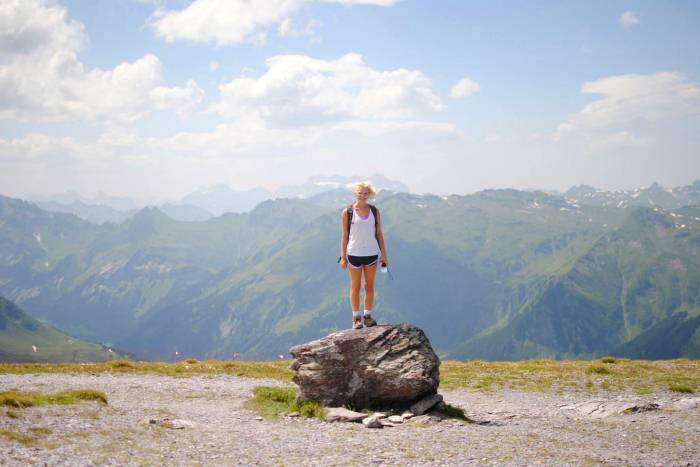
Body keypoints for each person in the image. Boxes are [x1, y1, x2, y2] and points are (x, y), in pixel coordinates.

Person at [339, 181, 388, 329]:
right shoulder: (347, 212)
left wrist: (384, 255)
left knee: (369, 285)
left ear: (369, 195)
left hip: (372, 253)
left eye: (365, 193)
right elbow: (344, 236)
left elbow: (379, 234)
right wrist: (343, 257)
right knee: (355, 286)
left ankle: (367, 316)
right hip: (354, 253)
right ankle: (356, 318)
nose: (362, 195)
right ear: (355, 193)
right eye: (360, 193)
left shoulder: (374, 211)